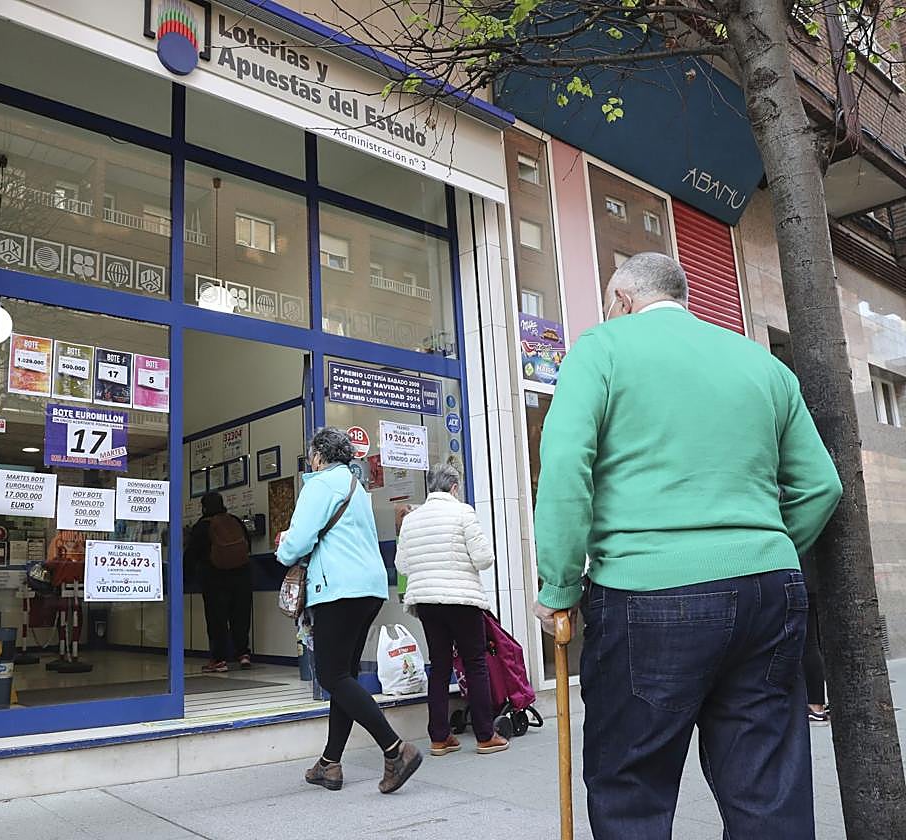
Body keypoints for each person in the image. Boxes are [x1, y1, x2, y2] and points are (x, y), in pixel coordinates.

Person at [532, 253, 843, 838]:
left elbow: (566, 465)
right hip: (769, 593)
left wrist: (560, 586)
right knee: (767, 788)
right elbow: (822, 485)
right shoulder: (763, 365)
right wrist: (763, 548)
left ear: (623, 299)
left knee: (632, 789)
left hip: (647, 591)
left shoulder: (602, 348)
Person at [276, 427, 422, 794]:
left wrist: (282, 549)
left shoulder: (320, 485)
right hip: (370, 588)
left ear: (318, 457)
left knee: (331, 676)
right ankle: (330, 763)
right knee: (344, 676)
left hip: (338, 590)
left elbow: (298, 541)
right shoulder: (358, 488)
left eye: (311, 456)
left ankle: (395, 749)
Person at [395, 462, 510, 756]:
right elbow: (484, 558)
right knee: (475, 663)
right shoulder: (463, 513)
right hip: (461, 601)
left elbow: (402, 566)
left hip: (426, 603)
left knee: (439, 666)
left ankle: (439, 737)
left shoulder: (412, 520)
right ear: (454, 487)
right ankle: (486, 735)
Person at [185, 492, 253, 673]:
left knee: (217, 620)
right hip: (242, 576)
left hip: (214, 578)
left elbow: (191, 554)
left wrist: (185, 578)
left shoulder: (202, 526)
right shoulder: (235, 521)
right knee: (240, 616)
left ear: (204, 507)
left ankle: (219, 660)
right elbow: (248, 546)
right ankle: (243, 654)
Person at [801, 549, 830, 724]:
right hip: (817, 581)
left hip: (805, 579)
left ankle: (815, 704)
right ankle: (819, 704)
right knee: (818, 642)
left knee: (809, 644)